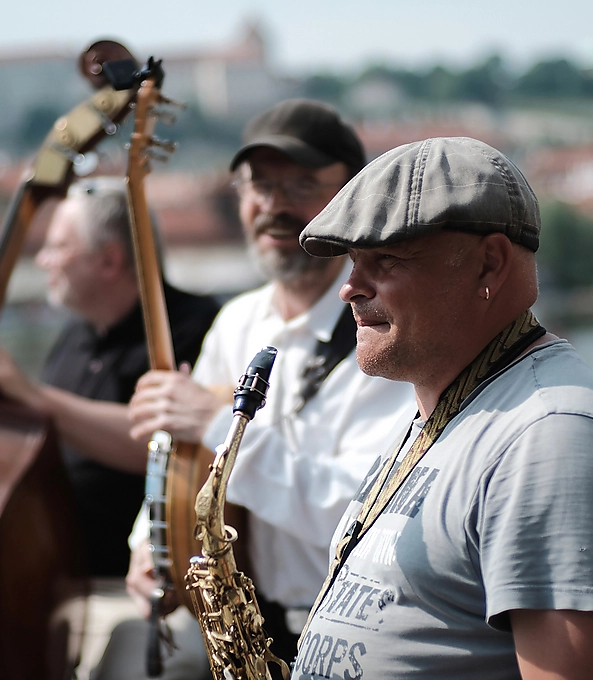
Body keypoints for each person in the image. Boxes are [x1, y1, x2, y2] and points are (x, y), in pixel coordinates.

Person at [290, 136, 593, 680]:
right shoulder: (453, 411)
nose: (351, 288)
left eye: (386, 259)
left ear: (489, 264)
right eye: (353, 262)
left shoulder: (554, 440)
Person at [108, 99, 415, 680]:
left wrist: (216, 425)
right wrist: (152, 546)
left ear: (351, 197)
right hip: (257, 630)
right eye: (259, 185)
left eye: (300, 185)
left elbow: (363, 516)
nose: (274, 205)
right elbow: (180, 463)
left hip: (361, 641)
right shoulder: (237, 322)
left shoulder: (388, 329)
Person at [0, 177, 219, 679]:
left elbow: (170, 448)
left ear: (108, 260)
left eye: (58, 246)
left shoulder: (192, 328)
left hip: (130, 588)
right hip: (54, 584)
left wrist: (35, 396)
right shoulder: (75, 336)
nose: (42, 260)